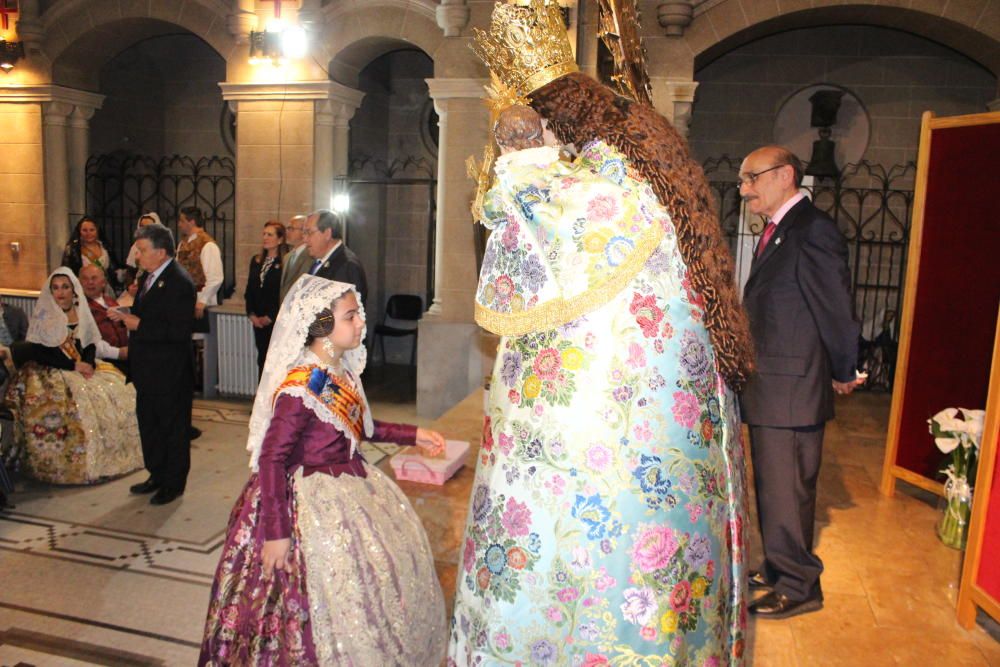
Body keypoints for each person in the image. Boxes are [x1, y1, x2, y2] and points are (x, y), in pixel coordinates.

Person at [449, 66, 748, 666]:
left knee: (594, 569)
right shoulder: (652, 177)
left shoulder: (608, 182)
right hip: (668, 437)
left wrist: (522, 156)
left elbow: (530, 218)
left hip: (614, 443)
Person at [199, 276, 447, 665]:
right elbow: (271, 459)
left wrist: (415, 433)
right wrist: (277, 533)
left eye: (358, 314)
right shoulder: (302, 386)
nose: (361, 323)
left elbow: (364, 427)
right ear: (322, 326)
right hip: (307, 499)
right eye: (351, 317)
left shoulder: (338, 372)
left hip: (350, 481)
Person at [737, 146, 863, 619]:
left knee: (787, 489)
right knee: (775, 487)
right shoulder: (783, 230)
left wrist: (845, 368)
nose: (745, 189)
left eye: (752, 178)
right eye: (743, 180)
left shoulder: (813, 230)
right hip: (774, 383)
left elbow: (834, 305)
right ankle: (778, 566)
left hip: (791, 386)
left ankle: (799, 585)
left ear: (786, 175)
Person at [2, 268, 141, 485]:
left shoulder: (80, 309)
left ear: (73, 289)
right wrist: (72, 365)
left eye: (65, 287)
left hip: (80, 365)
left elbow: (89, 341)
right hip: (51, 370)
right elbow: (41, 350)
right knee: (73, 404)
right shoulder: (45, 314)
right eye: (55, 288)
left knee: (117, 389)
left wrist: (87, 362)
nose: (61, 292)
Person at [108, 223, 196, 505]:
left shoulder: (179, 281)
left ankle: (173, 483)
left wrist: (139, 324)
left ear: (160, 252)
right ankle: (156, 474)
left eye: (143, 250)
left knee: (172, 428)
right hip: (147, 369)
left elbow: (178, 331)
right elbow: (152, 312)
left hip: (169, 371)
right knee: (150, 425)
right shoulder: (150, 276)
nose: (138, 256)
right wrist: (126, 314)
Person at [244, 221, 286, 378]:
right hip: (258, 320)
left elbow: (281, 294)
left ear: (280, 239)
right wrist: (251, 314)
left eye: (270, 234)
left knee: (274, 362)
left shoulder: (283, 264)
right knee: (262, 359)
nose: (265, 238)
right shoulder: (256, 261)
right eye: (264, 234)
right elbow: (250, 290)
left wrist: (271, 316)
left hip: (274, 321)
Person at [302, 209, 368, 307]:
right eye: (304, 233)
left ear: (328, 233)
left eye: (309, 232)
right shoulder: (319, 261)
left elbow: (344, 312)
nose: (305, 239)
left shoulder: (346, 265)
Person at [176, 206, 223, 334]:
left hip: (200, 300)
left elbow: (216, 278)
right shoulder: (183, 243)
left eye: (182, 221)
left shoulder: (208, 245)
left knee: (201, 342)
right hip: (184, 299)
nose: (179, 225)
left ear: (191, 222)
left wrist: (202, 301)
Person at [80, 264, 129, 373]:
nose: (90, 282)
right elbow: (87, 343)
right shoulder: (79, 307)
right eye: (85, 279)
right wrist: (119, 353)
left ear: (103, 283)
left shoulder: (112, 302)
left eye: (94, 278)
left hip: (127, 357)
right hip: (103, 363)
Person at [61, 216, 121, 292]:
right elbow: (66, 272)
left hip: (106, 289)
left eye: (92, 230)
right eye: (84, 230)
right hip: (82, 290)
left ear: (97, 230)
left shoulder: (105, 247)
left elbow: (113, 269)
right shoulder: (73, 249)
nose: (88, 233)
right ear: (79, 231)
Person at [279, 214, 310, 302]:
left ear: (304, 231)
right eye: (287, 228)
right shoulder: (287, 257)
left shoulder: (310, 256)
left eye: (291, 229)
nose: (287, 232)